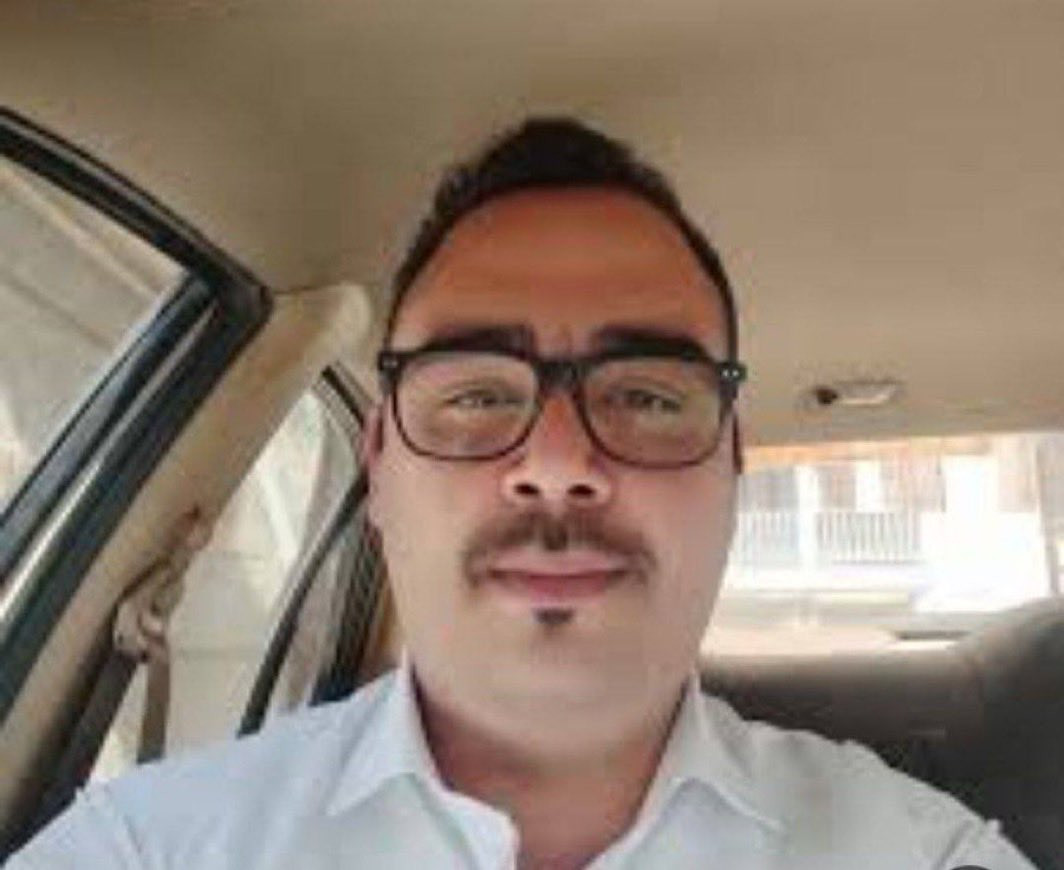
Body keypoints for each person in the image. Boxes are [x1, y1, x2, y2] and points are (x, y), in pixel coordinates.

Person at [7, 118, 1035, 870]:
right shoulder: (146, 850)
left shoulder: (926, 856)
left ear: (731, 465)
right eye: (476, 395)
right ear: (378, 466)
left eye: (644, 394)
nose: (555, 461)